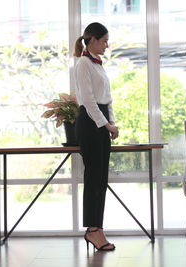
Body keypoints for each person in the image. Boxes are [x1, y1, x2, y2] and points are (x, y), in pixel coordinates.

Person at [73, 22, 119, 252]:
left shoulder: (99, 65)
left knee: (101, 180)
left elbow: (106, 99)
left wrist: (112, 123)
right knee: (93, 179)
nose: (106, 45)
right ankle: (92, 231)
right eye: (104, 41)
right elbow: (89, 101)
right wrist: (105, 125)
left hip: (100, 123)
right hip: (89, 124)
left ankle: (97, 228)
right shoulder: (83, 63)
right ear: (91, 39)